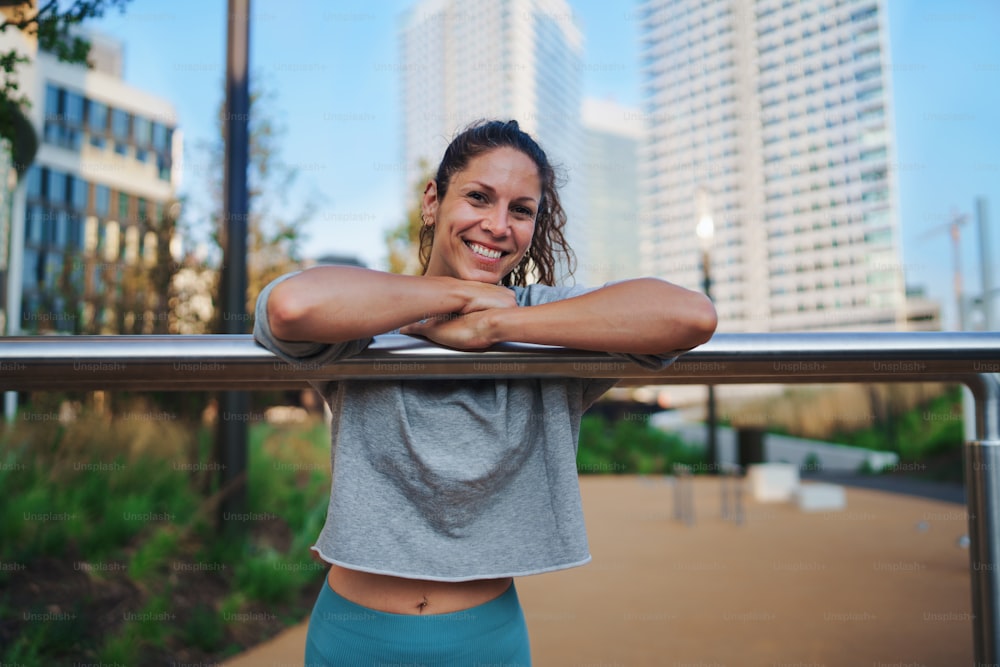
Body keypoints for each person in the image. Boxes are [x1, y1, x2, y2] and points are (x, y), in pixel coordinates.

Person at [253, 119, 717, 666]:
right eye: (478, 197)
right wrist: (455, 297)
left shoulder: (548, 322)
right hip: (353, 638)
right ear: (433, 200)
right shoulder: (372, 314)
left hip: (484, 643)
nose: (498, 226)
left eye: (521, 210)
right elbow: (292, 307)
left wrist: (501, 326)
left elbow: (690, 314)